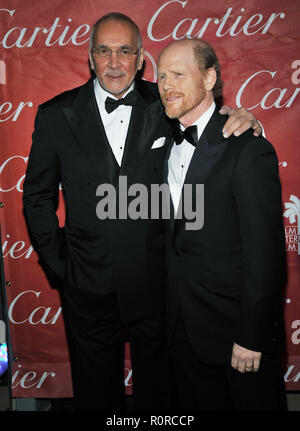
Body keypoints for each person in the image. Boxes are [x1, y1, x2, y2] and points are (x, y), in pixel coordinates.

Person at [23, 12, 262, 411]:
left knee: (163, 396)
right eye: (104, 51)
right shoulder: (55, 114)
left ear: (140, 58)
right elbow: (36, 196)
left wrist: (244, 119)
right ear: (89, 58)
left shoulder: (166, 103)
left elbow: (211, 131)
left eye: (124, 51)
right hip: (87, 286)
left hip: (160, 285)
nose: (114, 62)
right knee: (96, 396)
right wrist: (61, 265)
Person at [157, 38, 287, 411]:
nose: (166, 85)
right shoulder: (162, 141)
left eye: (179, 74)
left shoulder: (247, 147)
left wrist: (252, 336)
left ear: (210, 77)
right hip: (181, 330)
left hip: (237, 336)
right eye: (162, 76)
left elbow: (265, 256)